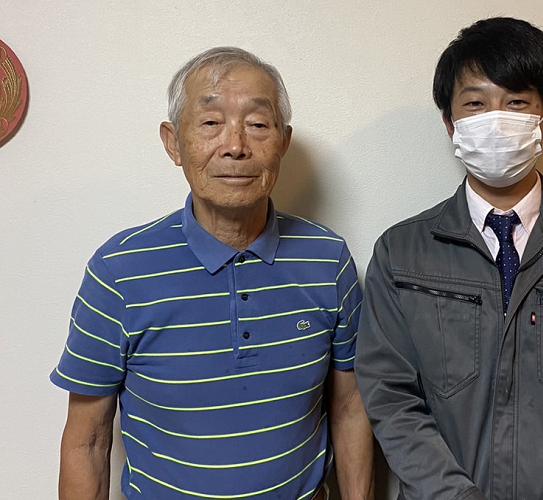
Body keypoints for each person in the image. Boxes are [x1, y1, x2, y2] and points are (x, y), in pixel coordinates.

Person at [355, 17, 543, 500]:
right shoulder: (401, 252)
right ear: (451, 124)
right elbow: (390, 397)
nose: (496, 119)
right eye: (475, 104)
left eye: (517, 102)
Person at [51, 47, 374, 500]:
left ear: (283, 142)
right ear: (173, 143)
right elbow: (87, 442)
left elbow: (350, 408)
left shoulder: (328, 260)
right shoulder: (118, 272)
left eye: (257, 124)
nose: (235, 146)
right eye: (210, 123)